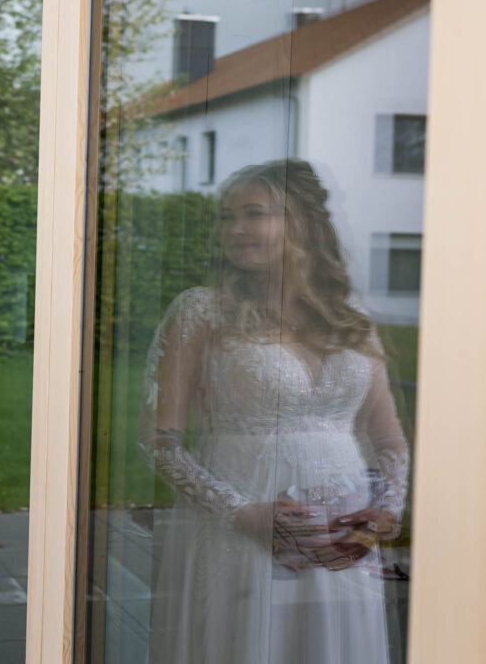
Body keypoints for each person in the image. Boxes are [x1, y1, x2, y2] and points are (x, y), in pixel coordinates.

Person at [140, 159, 409, 663]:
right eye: (225, 217)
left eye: (253, 214)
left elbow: (388, 438)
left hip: (341, 546)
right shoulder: (201, 310)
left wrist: (386, 512)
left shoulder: (351, 318)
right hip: (241, 533)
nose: (234, 229)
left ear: (300, 223)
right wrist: (244, 515)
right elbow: (159, 440)